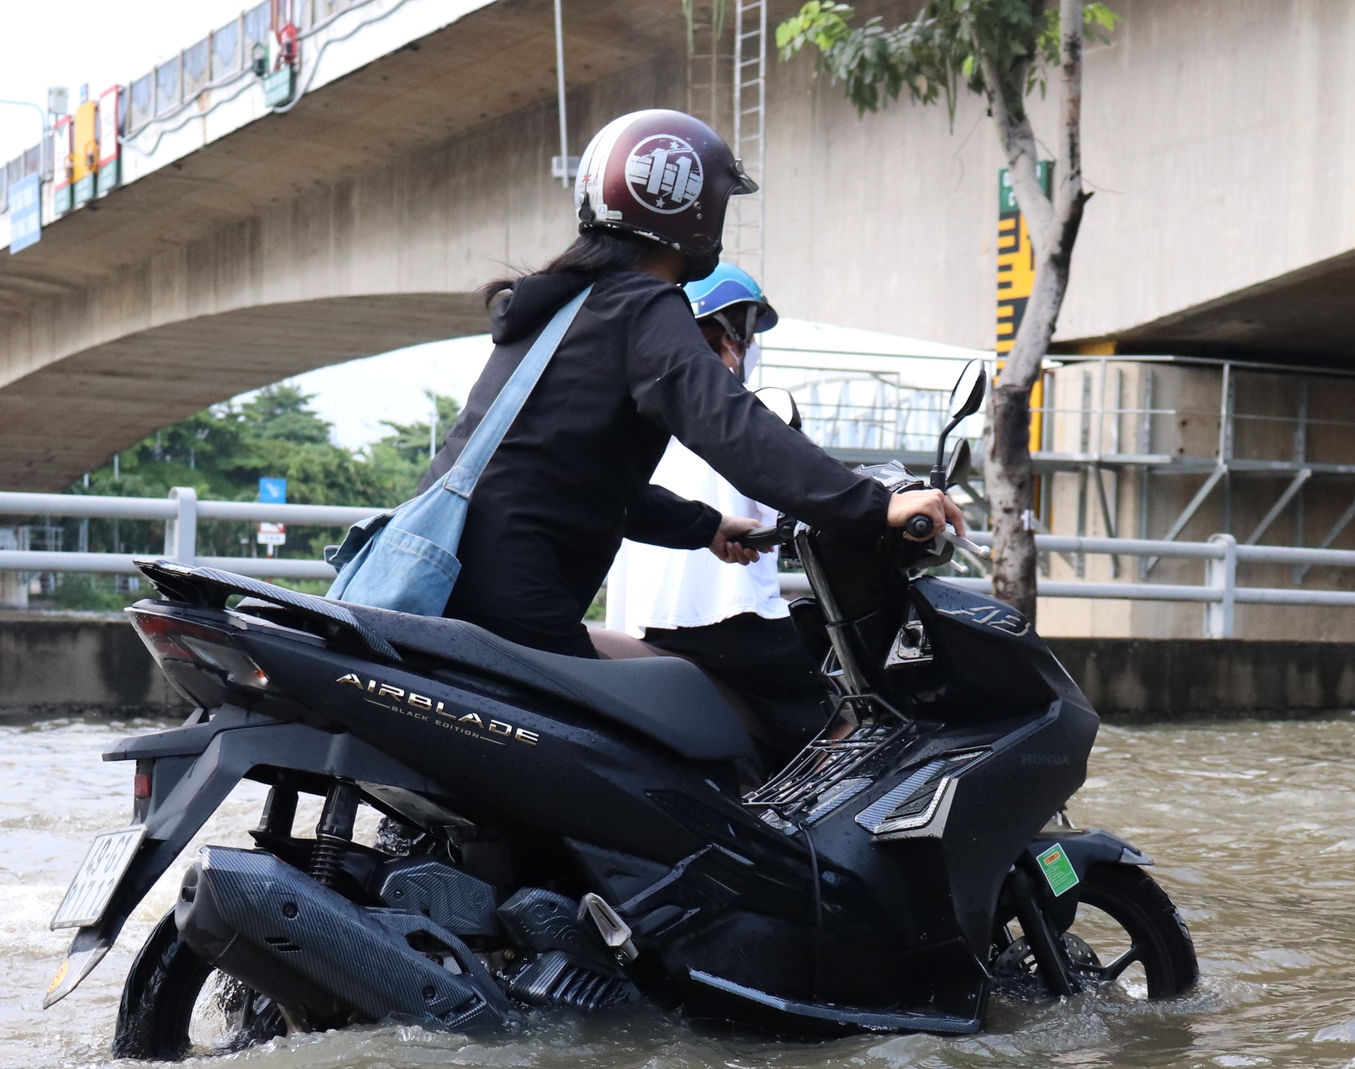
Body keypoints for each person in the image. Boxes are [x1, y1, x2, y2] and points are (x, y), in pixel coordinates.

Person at [370, 107, 962, 660]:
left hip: (456, 576)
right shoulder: (641, 306)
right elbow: (730, 423)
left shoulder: (569, 306)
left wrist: (703, 526)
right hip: (516, 590)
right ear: (695, 210)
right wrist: (874, 503)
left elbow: (569, 471)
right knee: (626, 753)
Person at [604, 263, 831, 748]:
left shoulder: (638, 412)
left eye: (744, 337)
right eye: (735, 333)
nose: (739, 350)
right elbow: (804, 487)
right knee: (836, 712)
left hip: (644, 618)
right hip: (724, 618)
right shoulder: (735, 415)